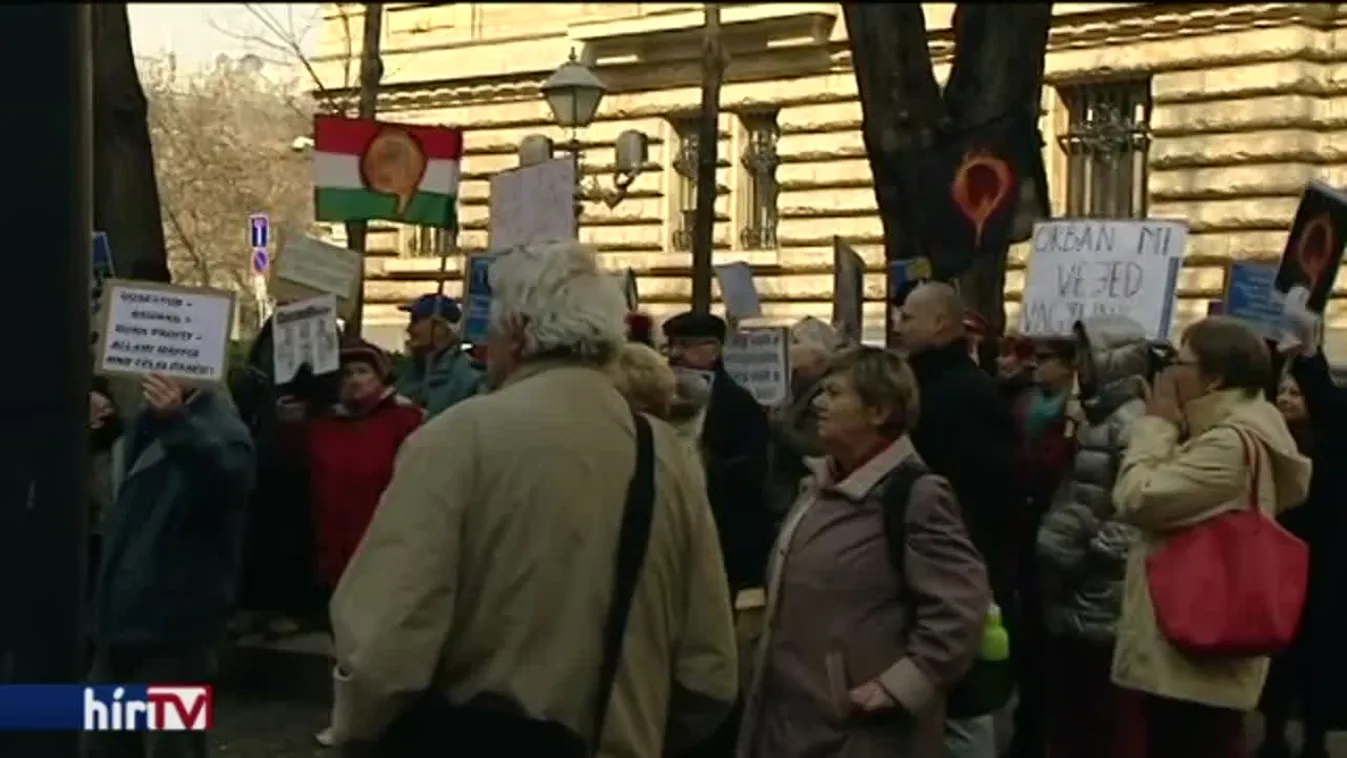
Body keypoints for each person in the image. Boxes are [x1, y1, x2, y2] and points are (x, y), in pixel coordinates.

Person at [325, 239, 738, 755]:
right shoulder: (669, 457)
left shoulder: (455, 438)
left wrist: (356, 730)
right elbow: (709, 672)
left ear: (517, 333)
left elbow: (382, 646)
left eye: (490, 329)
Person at [736, 346, 990, 757]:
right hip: (794, 721)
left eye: (835, 394)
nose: (819, 404)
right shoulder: (820, 485)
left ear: (879, 411)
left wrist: (901, 686)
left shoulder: (917, 496)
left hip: (860, 732)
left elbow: (960, 607)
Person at [1111, 317, 1312, 758]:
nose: (1168, 375)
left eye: (1180, 363)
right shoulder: (1227, 433)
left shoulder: (1230, 445)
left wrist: (1157, 426)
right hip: (1191, 651)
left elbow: (1136, 498)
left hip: (1194, 656)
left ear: (1215, 377)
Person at [87, 374, 255, 758]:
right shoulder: (142, 423)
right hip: (122, 619)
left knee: (170, 747)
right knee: (106, 744)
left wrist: (177, 424)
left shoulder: (223, 430)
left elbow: (227, 479)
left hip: (175, 627)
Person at [892, 281, 1014, 757]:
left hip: (957, 564)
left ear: (941, 324)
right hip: (933, 558)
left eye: (908, 318)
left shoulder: (962, 393)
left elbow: (980, 491)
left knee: (963, 705)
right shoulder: (928, 383)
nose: (899, 325)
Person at [1035, 316, 1150, 758]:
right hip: (1074, 588)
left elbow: (1135, 515)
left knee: (1104, 720)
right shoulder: (1090, 419)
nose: (1080, 365)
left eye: (1086, 355)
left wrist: (1086, 554)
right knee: (1072, 715)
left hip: (1103, 592)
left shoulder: (1132, 425)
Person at [1260, 328, 1347, 758]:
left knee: (1318, 657)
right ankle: (1273, 735)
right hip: (1278, 562)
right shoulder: (1269, 442)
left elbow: (1334, 407)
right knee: (1277, 656)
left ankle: (1314, 740)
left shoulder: (1333, 443)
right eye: (1283, 391)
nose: (1287, 398)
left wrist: (1309, 356)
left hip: (1323, 567)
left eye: (1296, 392)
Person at [1002, 335, 1076, 758]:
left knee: (1048, 650)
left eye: (1045, 359)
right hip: (1024, 532)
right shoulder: (1024, 406)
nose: (1036, 366)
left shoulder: (1077, 414)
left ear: (1069, 366)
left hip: (1054, 534)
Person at [765, 337, 831, 520]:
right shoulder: (799, 393)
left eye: (799, 370)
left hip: (795, 488)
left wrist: (777, 426)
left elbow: (813, 447)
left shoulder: (819, 399)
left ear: (819, 366)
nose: (793, 376)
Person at [393, 293, 483, 418]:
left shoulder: (469, 380)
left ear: (440, 327)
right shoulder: (406, 373)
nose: (409, 329)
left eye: (415, 320)